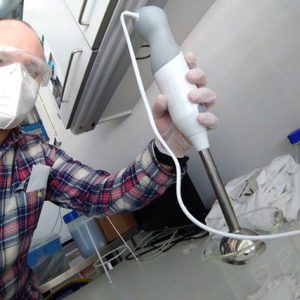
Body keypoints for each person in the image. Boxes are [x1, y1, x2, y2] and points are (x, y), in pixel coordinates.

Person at [0, 19, 218, 299]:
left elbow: (104, 194)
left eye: (31, 70)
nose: (16, 79)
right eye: (2, 59)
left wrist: (170, 146)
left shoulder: (35, 155)